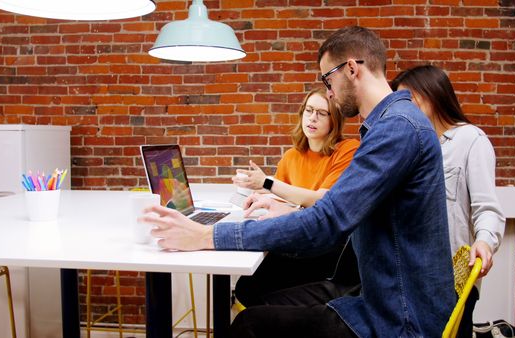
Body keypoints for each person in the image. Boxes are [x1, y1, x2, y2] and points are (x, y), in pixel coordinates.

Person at [143, 26, 455, 337]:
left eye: (327, 80)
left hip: (399, 320)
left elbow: (326, 221)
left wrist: (208, 235)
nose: (329, 92)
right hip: (384, 303)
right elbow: (331, 213)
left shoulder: (396, 130)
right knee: (258, 309)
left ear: (351, 69)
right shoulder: (395, 125)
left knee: (249, 326)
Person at [391, 64, 506, 337]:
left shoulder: (470, 139)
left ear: (430, 93)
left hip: (451, 281)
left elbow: (487, 208)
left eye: (408, 99)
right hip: (410, 280)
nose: (402, 109)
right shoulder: (411, 146)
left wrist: (484, 242)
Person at [231, 86, 360, 307]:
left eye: (321, 113)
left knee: (254, 290)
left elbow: (321, 200)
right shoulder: (293, 155)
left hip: (326, 251)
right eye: (309, 110)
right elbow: (286, 196)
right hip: (298, 240)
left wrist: (268, 183)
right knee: (246, 287)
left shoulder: (347, 150)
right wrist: (257, 189)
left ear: (334, 119)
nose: (312, 118)